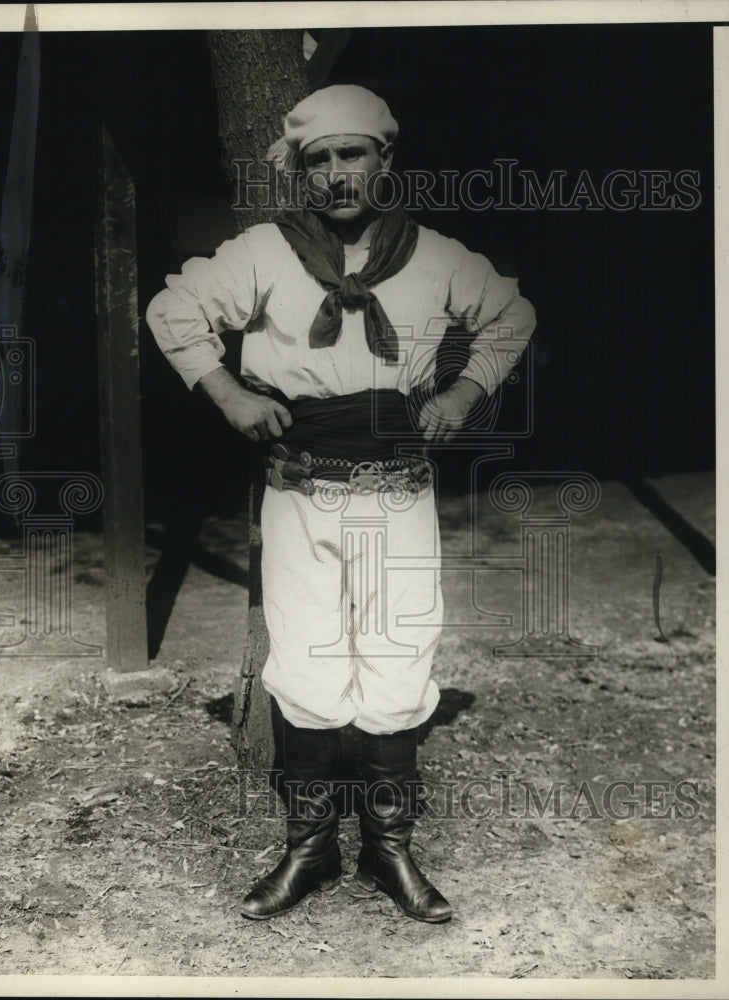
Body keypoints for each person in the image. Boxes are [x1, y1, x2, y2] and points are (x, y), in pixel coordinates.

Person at [147, 84, 536, 924]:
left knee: (397, 659)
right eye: (316, 161)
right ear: (299, 173)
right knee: (310, 664)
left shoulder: (433, 256)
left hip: (398, 496)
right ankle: (309, 850)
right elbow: (174, 306)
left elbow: (510, 314)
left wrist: (464, 393)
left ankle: (389, 853)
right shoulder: (262, 253)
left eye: (351, 154)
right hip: (300, 492)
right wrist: (227, 394)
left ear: (383, 161)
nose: (335, 175)